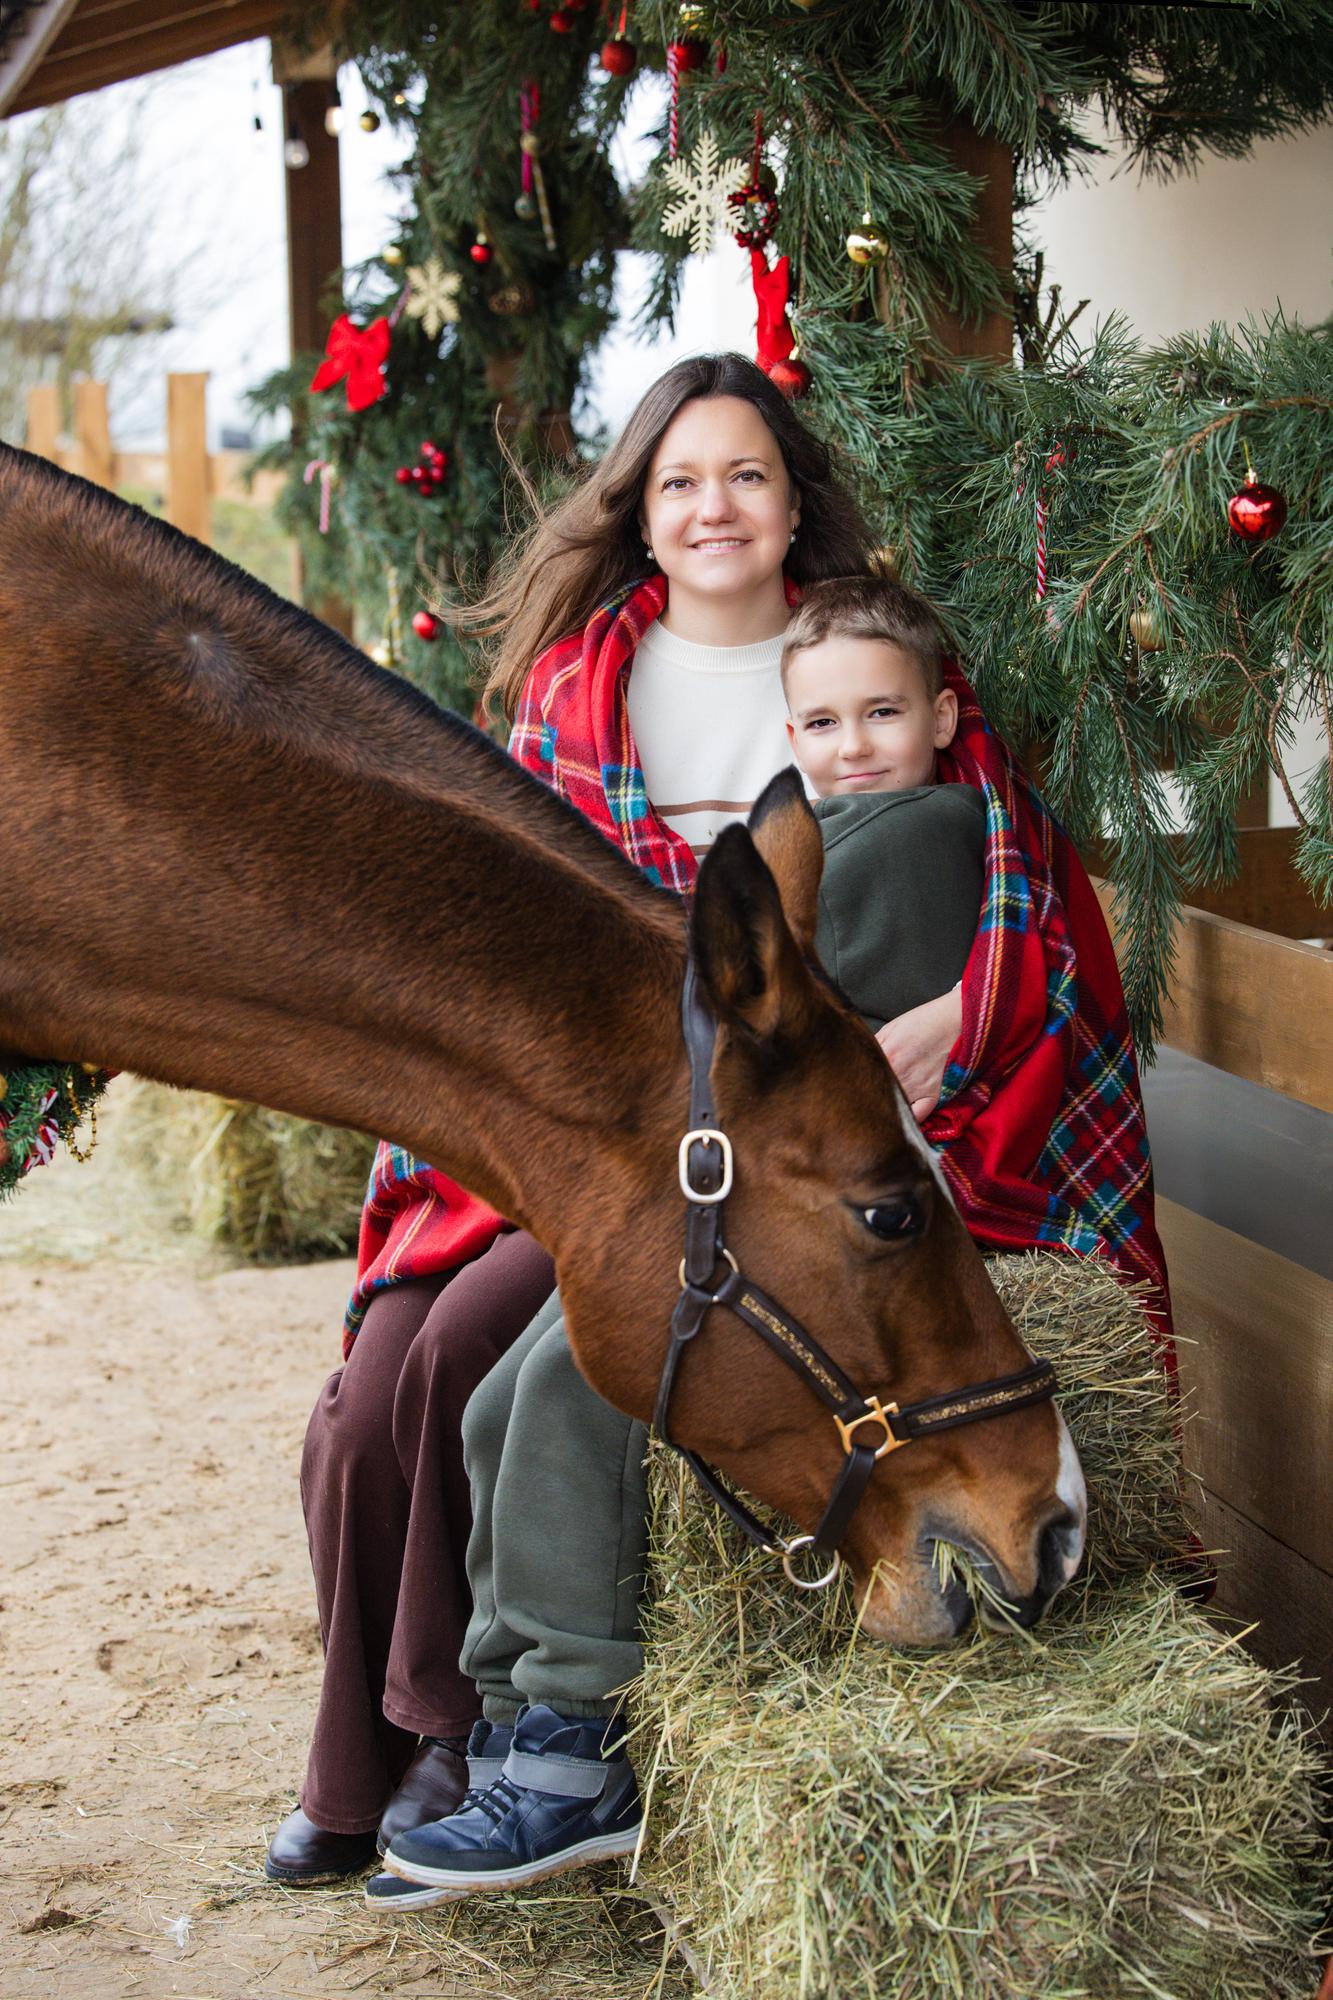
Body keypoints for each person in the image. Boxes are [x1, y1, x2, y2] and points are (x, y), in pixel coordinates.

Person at [376, 566, 1173, 1906]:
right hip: (806, 1194)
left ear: (937, 717)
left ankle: (575, 1752)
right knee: (498, 1393)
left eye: (879, 712)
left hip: (905, 1217)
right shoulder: (823, 831)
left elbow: (774, 1047)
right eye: (817, 723)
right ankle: (520, 1710)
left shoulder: (924, 831)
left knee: (586, 1384)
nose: (850, 744)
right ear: (785, 736)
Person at [264, 351, 879, 1886]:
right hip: (571, 1109)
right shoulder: (576, 691)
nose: (712, 504)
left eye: (744, 473)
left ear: (793, 495)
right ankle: (360, 1763)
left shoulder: (863, 667)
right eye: (678, 480)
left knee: (469, 1353)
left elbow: (924, 896)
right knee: (371, 1391)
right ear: (641, 511)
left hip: (736, 1141)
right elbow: (499, 947)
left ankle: (461, 1731)